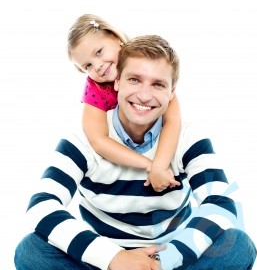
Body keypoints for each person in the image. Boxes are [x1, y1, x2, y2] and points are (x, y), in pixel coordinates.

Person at [14, 35, 256, 270]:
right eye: (134, 79)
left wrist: (159, 261)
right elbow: (42, 206)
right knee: (30, 253)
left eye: (158, 84)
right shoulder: (83, 138)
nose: (144, 95)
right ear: (115, 82)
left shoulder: (187, 136)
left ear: (172, 94)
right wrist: (116, 259)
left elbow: (219, 204)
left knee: (238, 248)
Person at [67, 14, 181, 192]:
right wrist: (150, 165)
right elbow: (98, 140)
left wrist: (161, 164)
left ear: (115, 37)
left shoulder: (148, 63)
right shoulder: (94, 89)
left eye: (99, 52)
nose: (97, 65)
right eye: (87, 66)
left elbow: (172, 121)